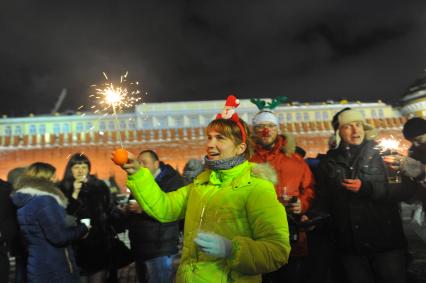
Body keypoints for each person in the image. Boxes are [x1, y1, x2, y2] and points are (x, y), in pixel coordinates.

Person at [118, 96, 290, 282]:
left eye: (220, 138)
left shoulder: (257, 187)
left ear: (240, 147)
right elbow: (164, 207)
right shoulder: (201, 185)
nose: (210, 144)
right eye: (209, 137)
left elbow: (277, 250)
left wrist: (231, 249)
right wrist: (138, 173)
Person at [316, 108, 416, 283]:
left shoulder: (385, 154)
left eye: (358, 125)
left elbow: (407, 188)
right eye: (348, 126)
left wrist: (368, 188)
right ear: (338, 132)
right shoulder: (328, 163)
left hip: (386, 243)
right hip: (350, 247)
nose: (356, 130)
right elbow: (323, 200)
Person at [250, 109, 315, 283]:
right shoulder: (246, 161)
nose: (266, 130)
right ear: (253, 131)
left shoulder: (294, 159)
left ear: (277, 129)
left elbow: (309, 188)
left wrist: (303, 204)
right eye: (261, 127)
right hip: (258, 234)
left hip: (291, 233)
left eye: (271, 126)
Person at [11, 162, 89, 283]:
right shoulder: (45, 200)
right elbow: (59, 237)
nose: (56, 179)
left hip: (38, 264)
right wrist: (83, 228)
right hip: (54, 268)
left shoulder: (27, 199)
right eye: (53, 176)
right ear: (45, 178)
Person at [59, 153, 119, 283]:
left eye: (84, 167)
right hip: (75, 246)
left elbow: (110, 211)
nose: (80, 171)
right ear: (70, 169)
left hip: (99, 245)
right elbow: (63, 216)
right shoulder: (62, 188)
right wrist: (74, 194)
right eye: (76, 167)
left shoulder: (99, 187)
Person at [126, 149, 184, 283]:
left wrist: (143, 209)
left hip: (160, 247)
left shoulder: (171, 180)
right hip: (141, 246)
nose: (141, 166)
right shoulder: (140, 181)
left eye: (144, 163)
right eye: (139, 163)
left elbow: (172, 209)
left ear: (156, 164)